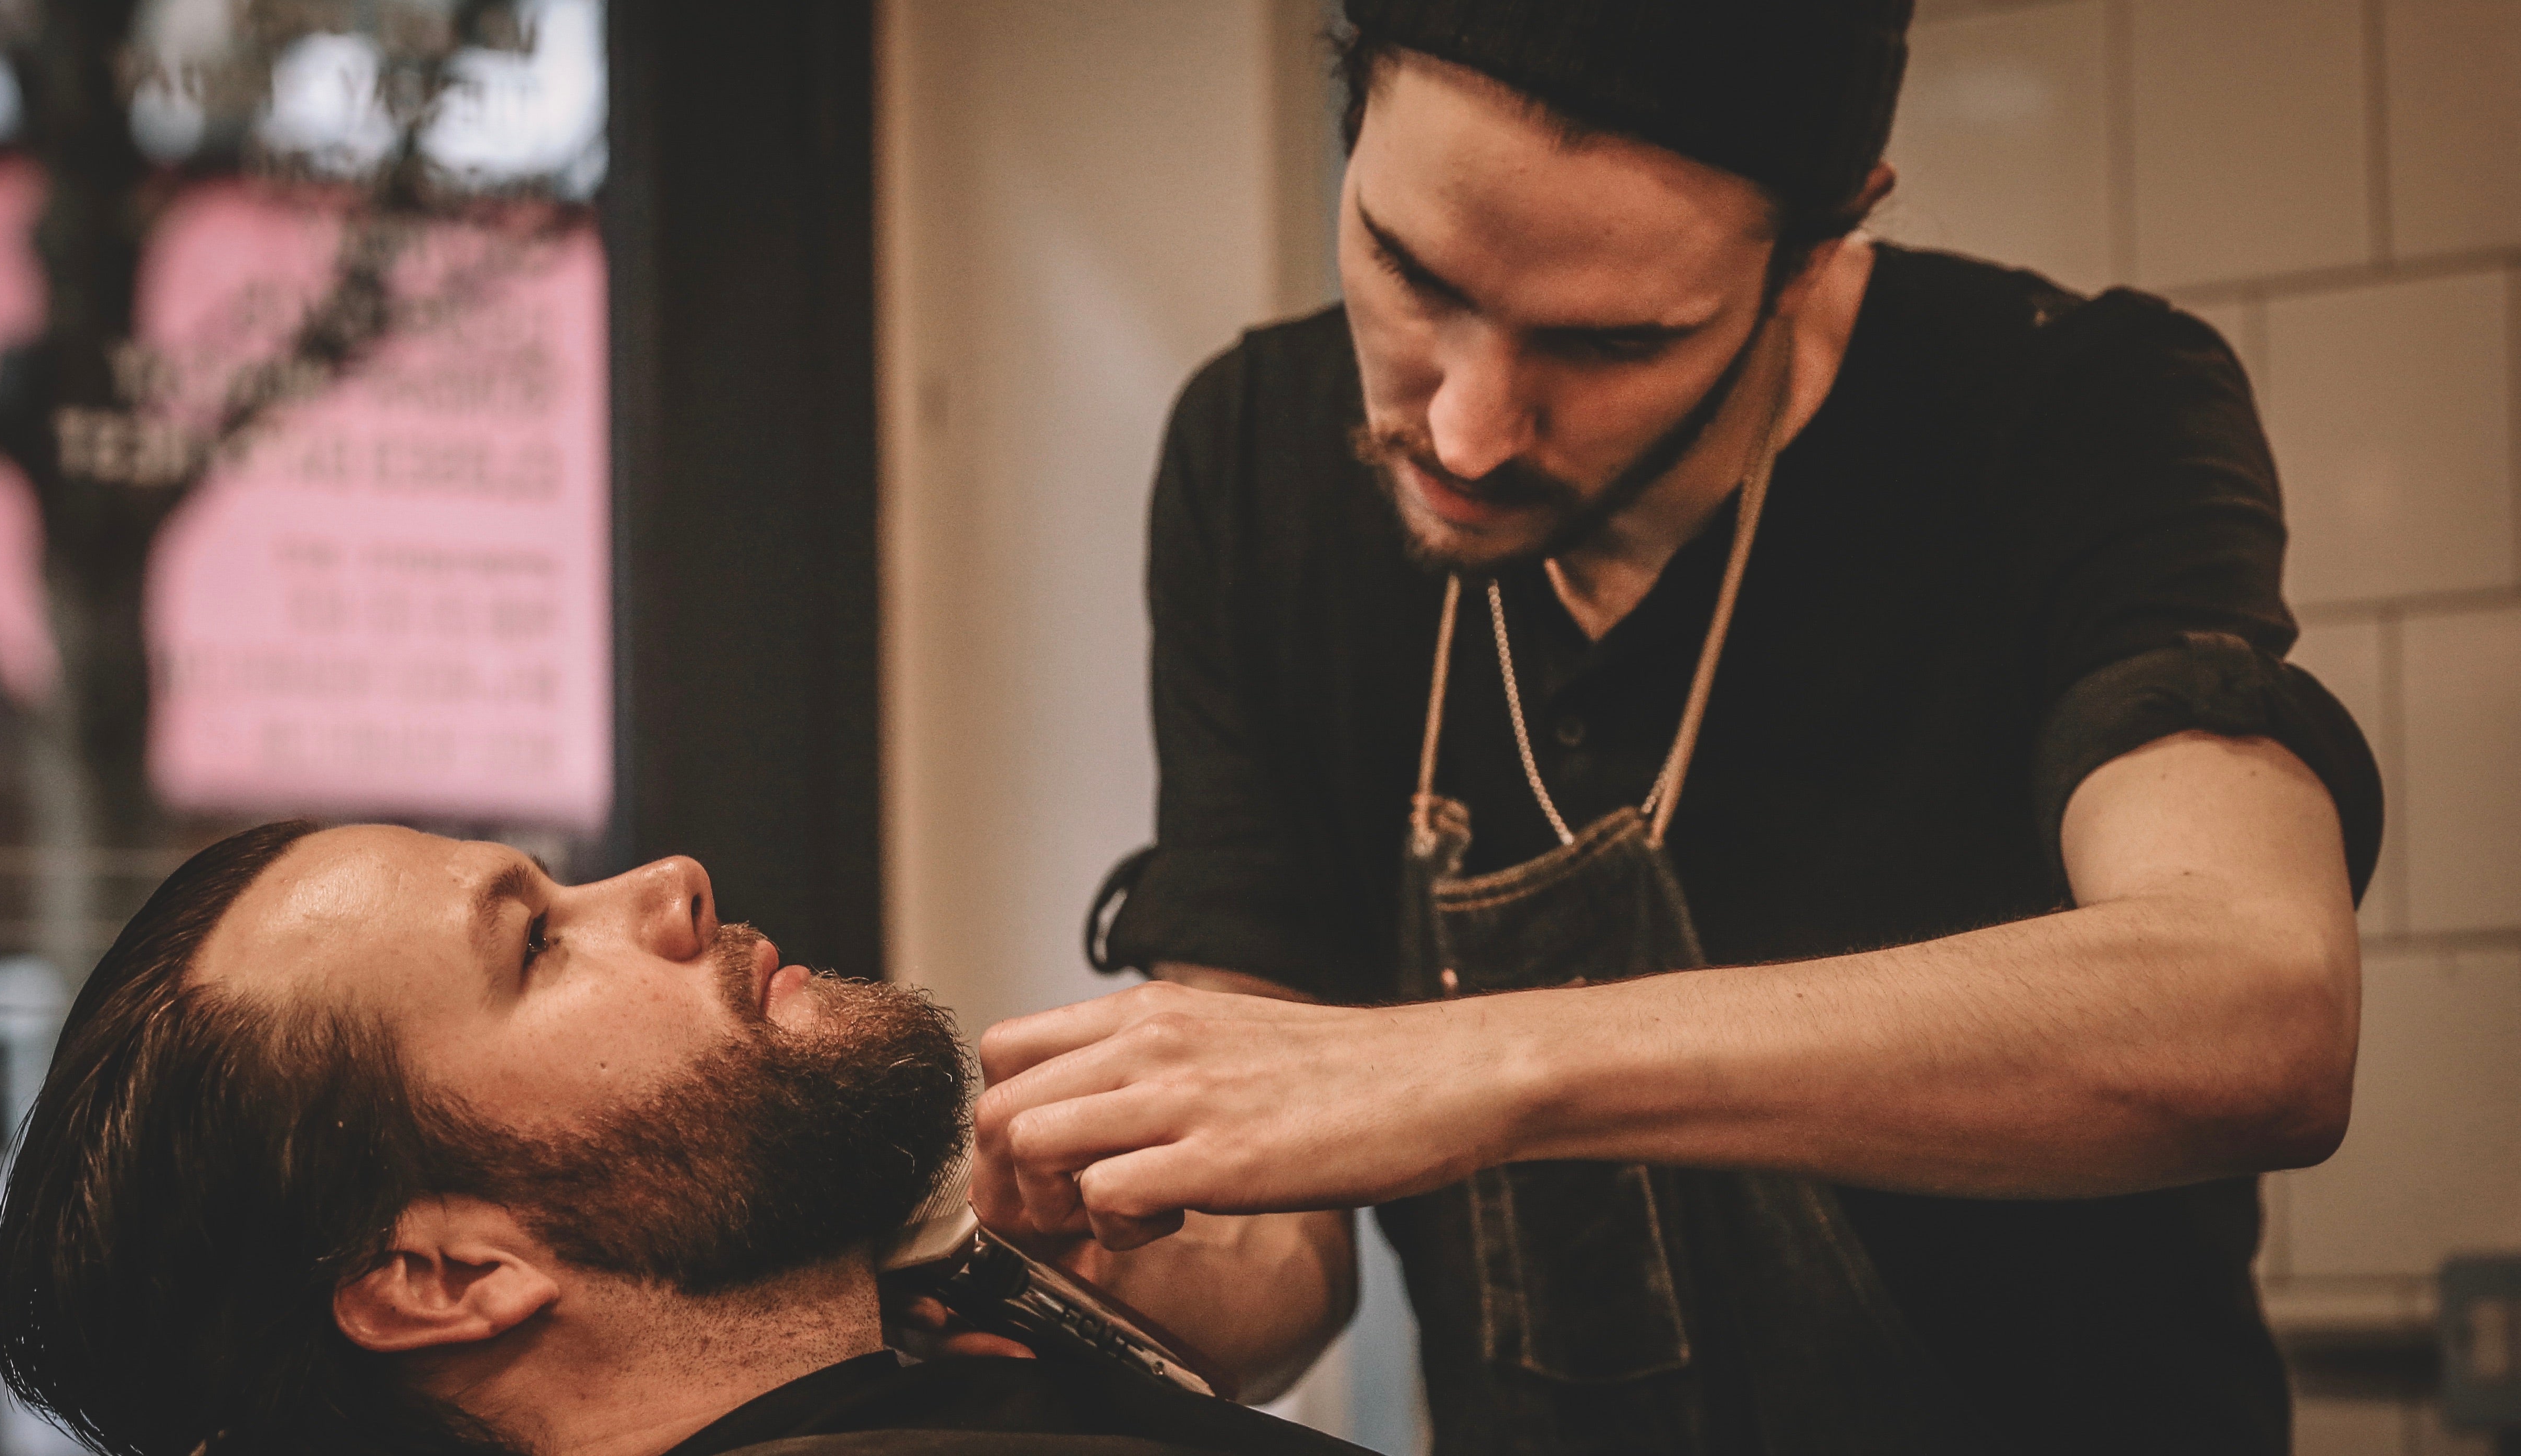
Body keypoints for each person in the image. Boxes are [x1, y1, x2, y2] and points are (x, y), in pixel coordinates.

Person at [969, 2, 2385, 1453]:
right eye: (1407, 271)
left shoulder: (2073, 408)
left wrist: (1481, 1069)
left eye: (1612, 340)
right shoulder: (1253, 459)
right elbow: (1279, 1260)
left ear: (1819, 245)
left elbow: (2258, 1007)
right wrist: (1138, 1272)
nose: (1464, 430)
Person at [0, 820, 1364, 1456]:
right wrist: (1518, 1077)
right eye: (536, 944)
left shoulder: (951, 1351)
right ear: (448, 1276)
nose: (668, 884)